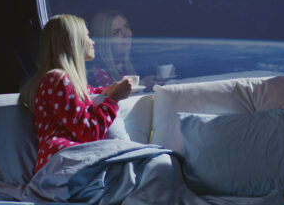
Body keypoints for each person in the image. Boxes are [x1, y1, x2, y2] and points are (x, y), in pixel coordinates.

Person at [17, 14, 132, 173]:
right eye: (87, 36)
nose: (93, 41)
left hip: (71, 160)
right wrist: (112, 100)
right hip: (64, 163)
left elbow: (90, 94)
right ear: (73, 43)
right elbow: (89, 134)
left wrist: (108, 91)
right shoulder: (58, 79)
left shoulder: (68, 83)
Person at [87, 10, 172, 91]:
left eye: (126, 27)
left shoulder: (129, 65)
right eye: (116, 32)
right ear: (105, 41)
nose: (126, 34)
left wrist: (158, 79)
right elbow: (111, 101)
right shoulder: (99, 73)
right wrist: (141, 85)